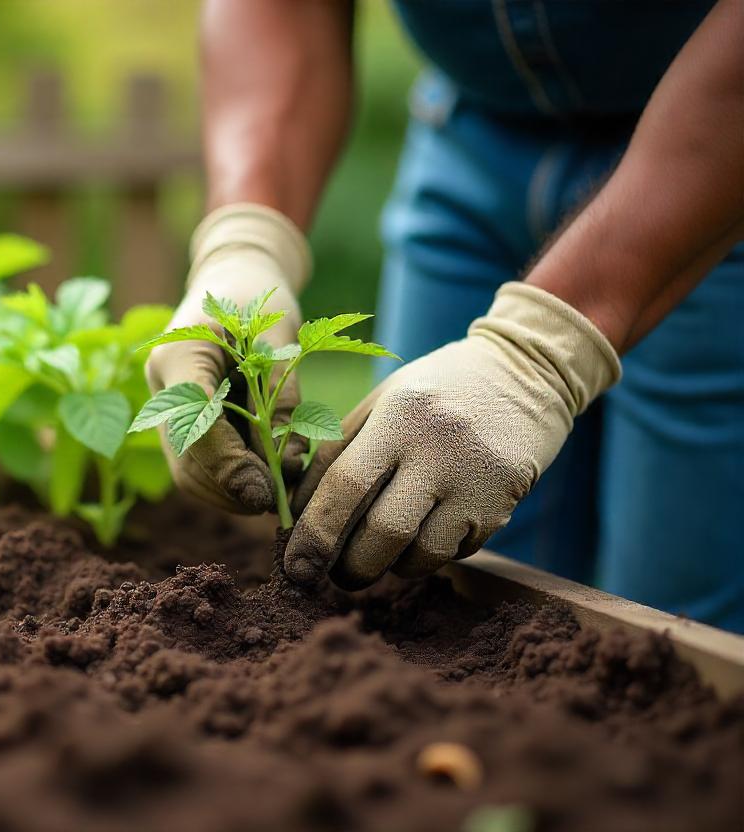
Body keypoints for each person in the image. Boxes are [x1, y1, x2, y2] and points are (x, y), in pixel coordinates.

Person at [146, 0, 743, 631]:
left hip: (714, 153)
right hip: (470, 138)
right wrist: (246, 237)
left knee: (677, 615)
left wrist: (537, 351)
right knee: (420, 570)